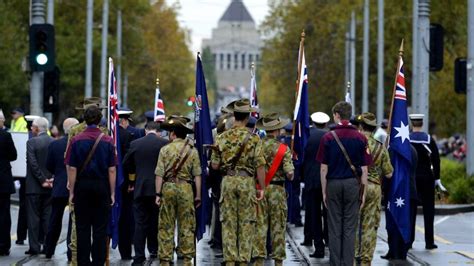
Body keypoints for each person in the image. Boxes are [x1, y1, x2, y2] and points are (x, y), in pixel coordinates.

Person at [210, 99, 266, 266]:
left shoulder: (221, 137)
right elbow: (260, 165)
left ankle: (229, 261)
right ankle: (242, 261)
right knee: (246, 223)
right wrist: (261, 187)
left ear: (233, 116)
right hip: (247, 183)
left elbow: (214, 165)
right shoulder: (254, 139)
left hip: (227, 181)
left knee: (228, 223)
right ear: (248, 118)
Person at [316, 101, 371, 266]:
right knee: (349, 228)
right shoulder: (361, 138)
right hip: (352, 185)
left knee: (334, 227)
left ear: (337, 116)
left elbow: (323, 169)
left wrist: (324, 192)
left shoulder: (327, 137)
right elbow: (365, 169)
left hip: (333, 183)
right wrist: (363, 193)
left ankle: (335, 263)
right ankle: (347, 263)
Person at [66, 105, 117, 265]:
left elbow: (72, 168)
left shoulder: (76, 140)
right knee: (100, 229)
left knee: (82, 228)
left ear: (85, 119)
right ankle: (98, 262)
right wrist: (112, 193)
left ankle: (83, 262)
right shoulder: (108, 140)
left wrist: (72, 191)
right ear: (100, 120)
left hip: (82, 186)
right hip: (101, 186)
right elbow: (112, 170)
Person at [154, 115, 201, 266]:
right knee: (187, 225)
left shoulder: (165, 150)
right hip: (186, 188)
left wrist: (157, 193)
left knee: (166, 225)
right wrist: (198, 195)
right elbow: (197, 175)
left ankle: (165, 260)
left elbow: (159, 174)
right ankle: (187, 259)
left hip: (168, 187)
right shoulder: (192, 151)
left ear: (173, 133)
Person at [123, 121, 168, 265]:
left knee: (140, 223)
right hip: (159, 190)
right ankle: (155, 250)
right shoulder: (164, 144)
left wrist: (131, 181)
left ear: (145, 130)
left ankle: (139, 256)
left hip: (140, 188)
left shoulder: (136, 144)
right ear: (159, 131)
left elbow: (127, 164)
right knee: (157, 222)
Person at [253, 113, 294, 266]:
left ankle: (258, 260)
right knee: (277, 227)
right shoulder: (284, 148)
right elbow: (290, 174)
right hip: (277, 191)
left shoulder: (257, 145)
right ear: (277, 131)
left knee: (260, 226)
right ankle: (278, 262)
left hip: (259, 189)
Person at [354, 113, 393, 265]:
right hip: (375, 188)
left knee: (354, 222)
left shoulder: (355, 143)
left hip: (357, 187)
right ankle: (366, 260)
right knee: (369, 226)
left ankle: (354, 255)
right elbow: (389, 174)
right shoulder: (380, 146)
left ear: (361, 127)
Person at [43, 118, 79, 259]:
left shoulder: (55, 145)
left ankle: (49, 249)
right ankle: (71, 252)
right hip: (74, 186)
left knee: (55, 219)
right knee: (73, 221)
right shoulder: (78, 144)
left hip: (59, 186)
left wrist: (58, 175)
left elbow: (49, 165)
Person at [408, 113, 445, 250]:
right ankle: (429, 242)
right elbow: (436, 160)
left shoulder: (407, 139)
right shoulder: (429, 139)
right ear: (422, 124)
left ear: (412, 124)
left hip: (412, 179)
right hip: (428, 179)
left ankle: (409, 240)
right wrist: (437, 178)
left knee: (411, 211)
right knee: (429, 211)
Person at [301, 112, 330, 258]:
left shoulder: (307, 136)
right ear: (325, 123)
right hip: (328, 180)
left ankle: (318, 247)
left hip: (311, 180)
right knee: (328, 214)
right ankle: (329, 241)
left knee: (314, 215)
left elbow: (302, 157)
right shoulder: (330, 136)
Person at [25, 117, 54, 255]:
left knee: (33, 219)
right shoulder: (54, 142)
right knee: (47, 217)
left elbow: (33, 163)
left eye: (33, 127)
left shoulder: (31, 142)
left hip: (34, 187)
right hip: (51, 186)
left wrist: (42, 180)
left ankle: (34, 247)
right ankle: (47, 247)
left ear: (37, 128)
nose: (31, 128)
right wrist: (51, 179)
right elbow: (57, 163)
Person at [0, 120, 17, 255]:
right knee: (4, 213)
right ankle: (3, 245)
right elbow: (13, 155)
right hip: (3, 180)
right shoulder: (5, 136)